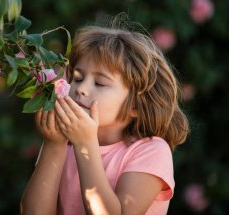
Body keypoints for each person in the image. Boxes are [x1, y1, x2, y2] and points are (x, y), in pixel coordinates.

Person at [20, 23, 190, 215]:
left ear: (136, 104)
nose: (81, 89)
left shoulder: (151, 151)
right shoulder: (63, 143)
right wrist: (53, 145)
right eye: (77, 78)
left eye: (99, 83)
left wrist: (85, 143)